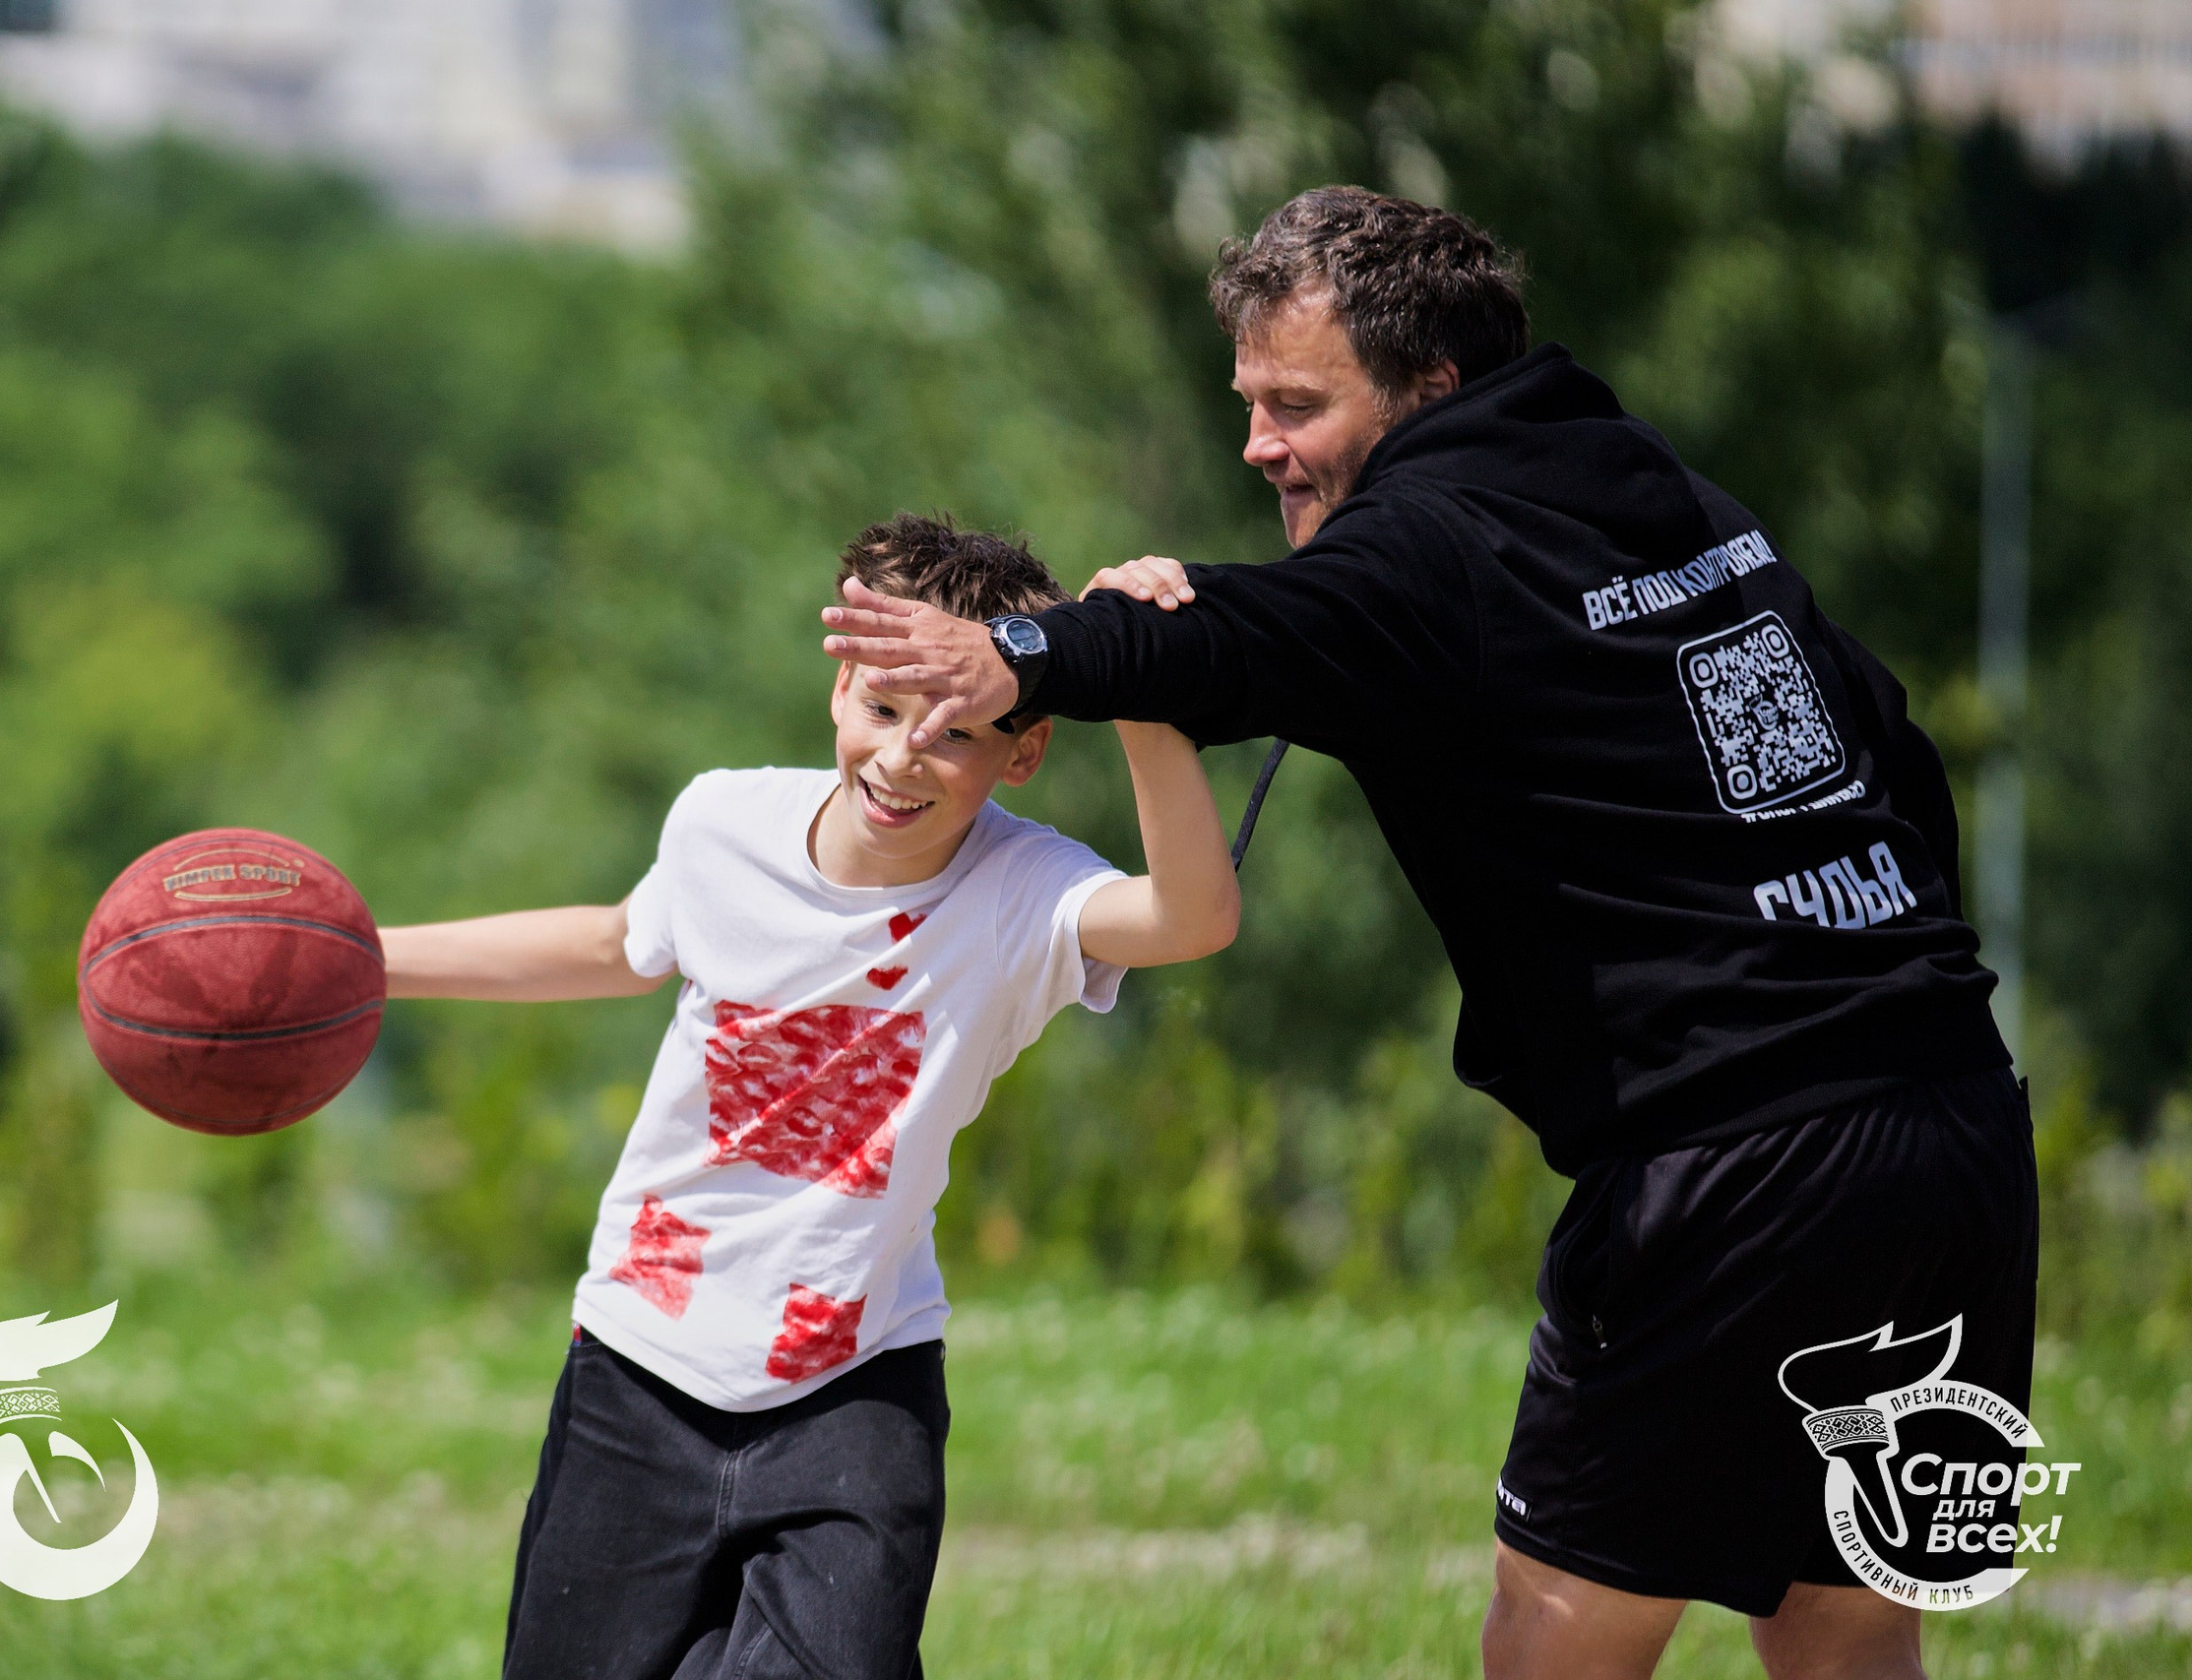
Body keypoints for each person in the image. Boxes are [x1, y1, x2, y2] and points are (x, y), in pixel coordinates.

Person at [818, 187, 2034, 1680]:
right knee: (1844, 1618)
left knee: (1552, 1632)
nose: (1260, 441)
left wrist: (1016, 648)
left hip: (1726, 1159)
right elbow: (1892, 741)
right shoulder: (1668, 499)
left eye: (1298, 403)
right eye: (1249, 401)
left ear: (1431, 384)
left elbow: (1244, 642)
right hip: (1951, 1119)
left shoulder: (1436, 541)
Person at [380, 512, 1240, 1680]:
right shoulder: (719, 823)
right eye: (882, 712)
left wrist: (1131, 677)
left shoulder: (1021, 893)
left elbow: (1192, 918)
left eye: (955, 733)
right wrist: (365, 955)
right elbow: (615, 942)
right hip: (640, 1370)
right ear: (839, 687)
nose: (900, 758)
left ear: (1023, 750)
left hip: (856, 1390)